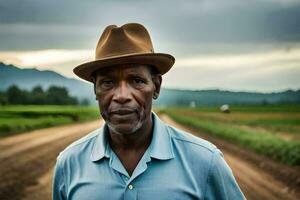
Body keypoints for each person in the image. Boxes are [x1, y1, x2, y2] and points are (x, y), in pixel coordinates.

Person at [52, 23, 245, 200]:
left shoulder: (205, 162)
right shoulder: (69, 163)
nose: (121, 96)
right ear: (95, 90)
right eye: (108, 82)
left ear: (157, 87)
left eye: (136, 81)